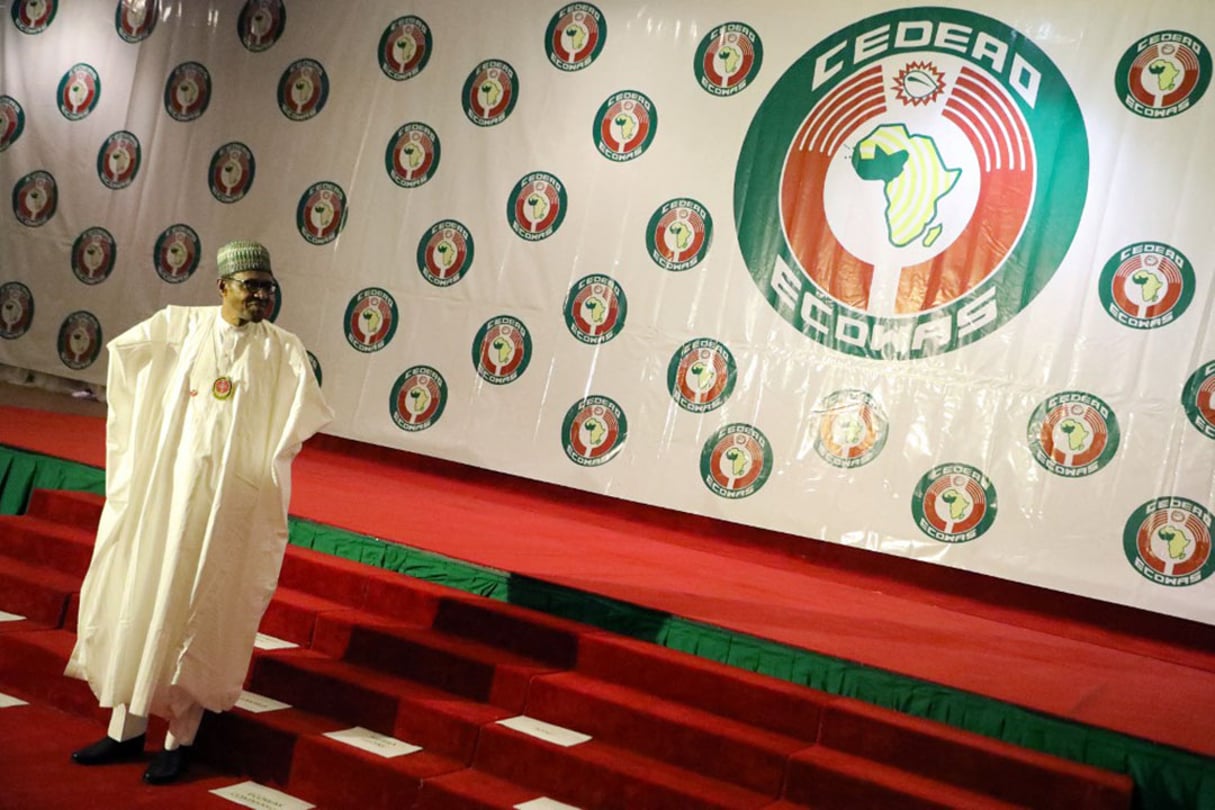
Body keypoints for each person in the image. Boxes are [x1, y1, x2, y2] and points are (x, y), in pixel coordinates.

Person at [64, 241, 333, 784]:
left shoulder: (282, 351)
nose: (261, 295)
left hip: (226, 508)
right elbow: (126, 356)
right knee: (148, 597)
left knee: (200, 609)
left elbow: (299, 418)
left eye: (267, 287)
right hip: (168, 496)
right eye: (250, 285)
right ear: (222, 287)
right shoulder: (180, 327)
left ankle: (178, 740)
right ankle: (124, 731)